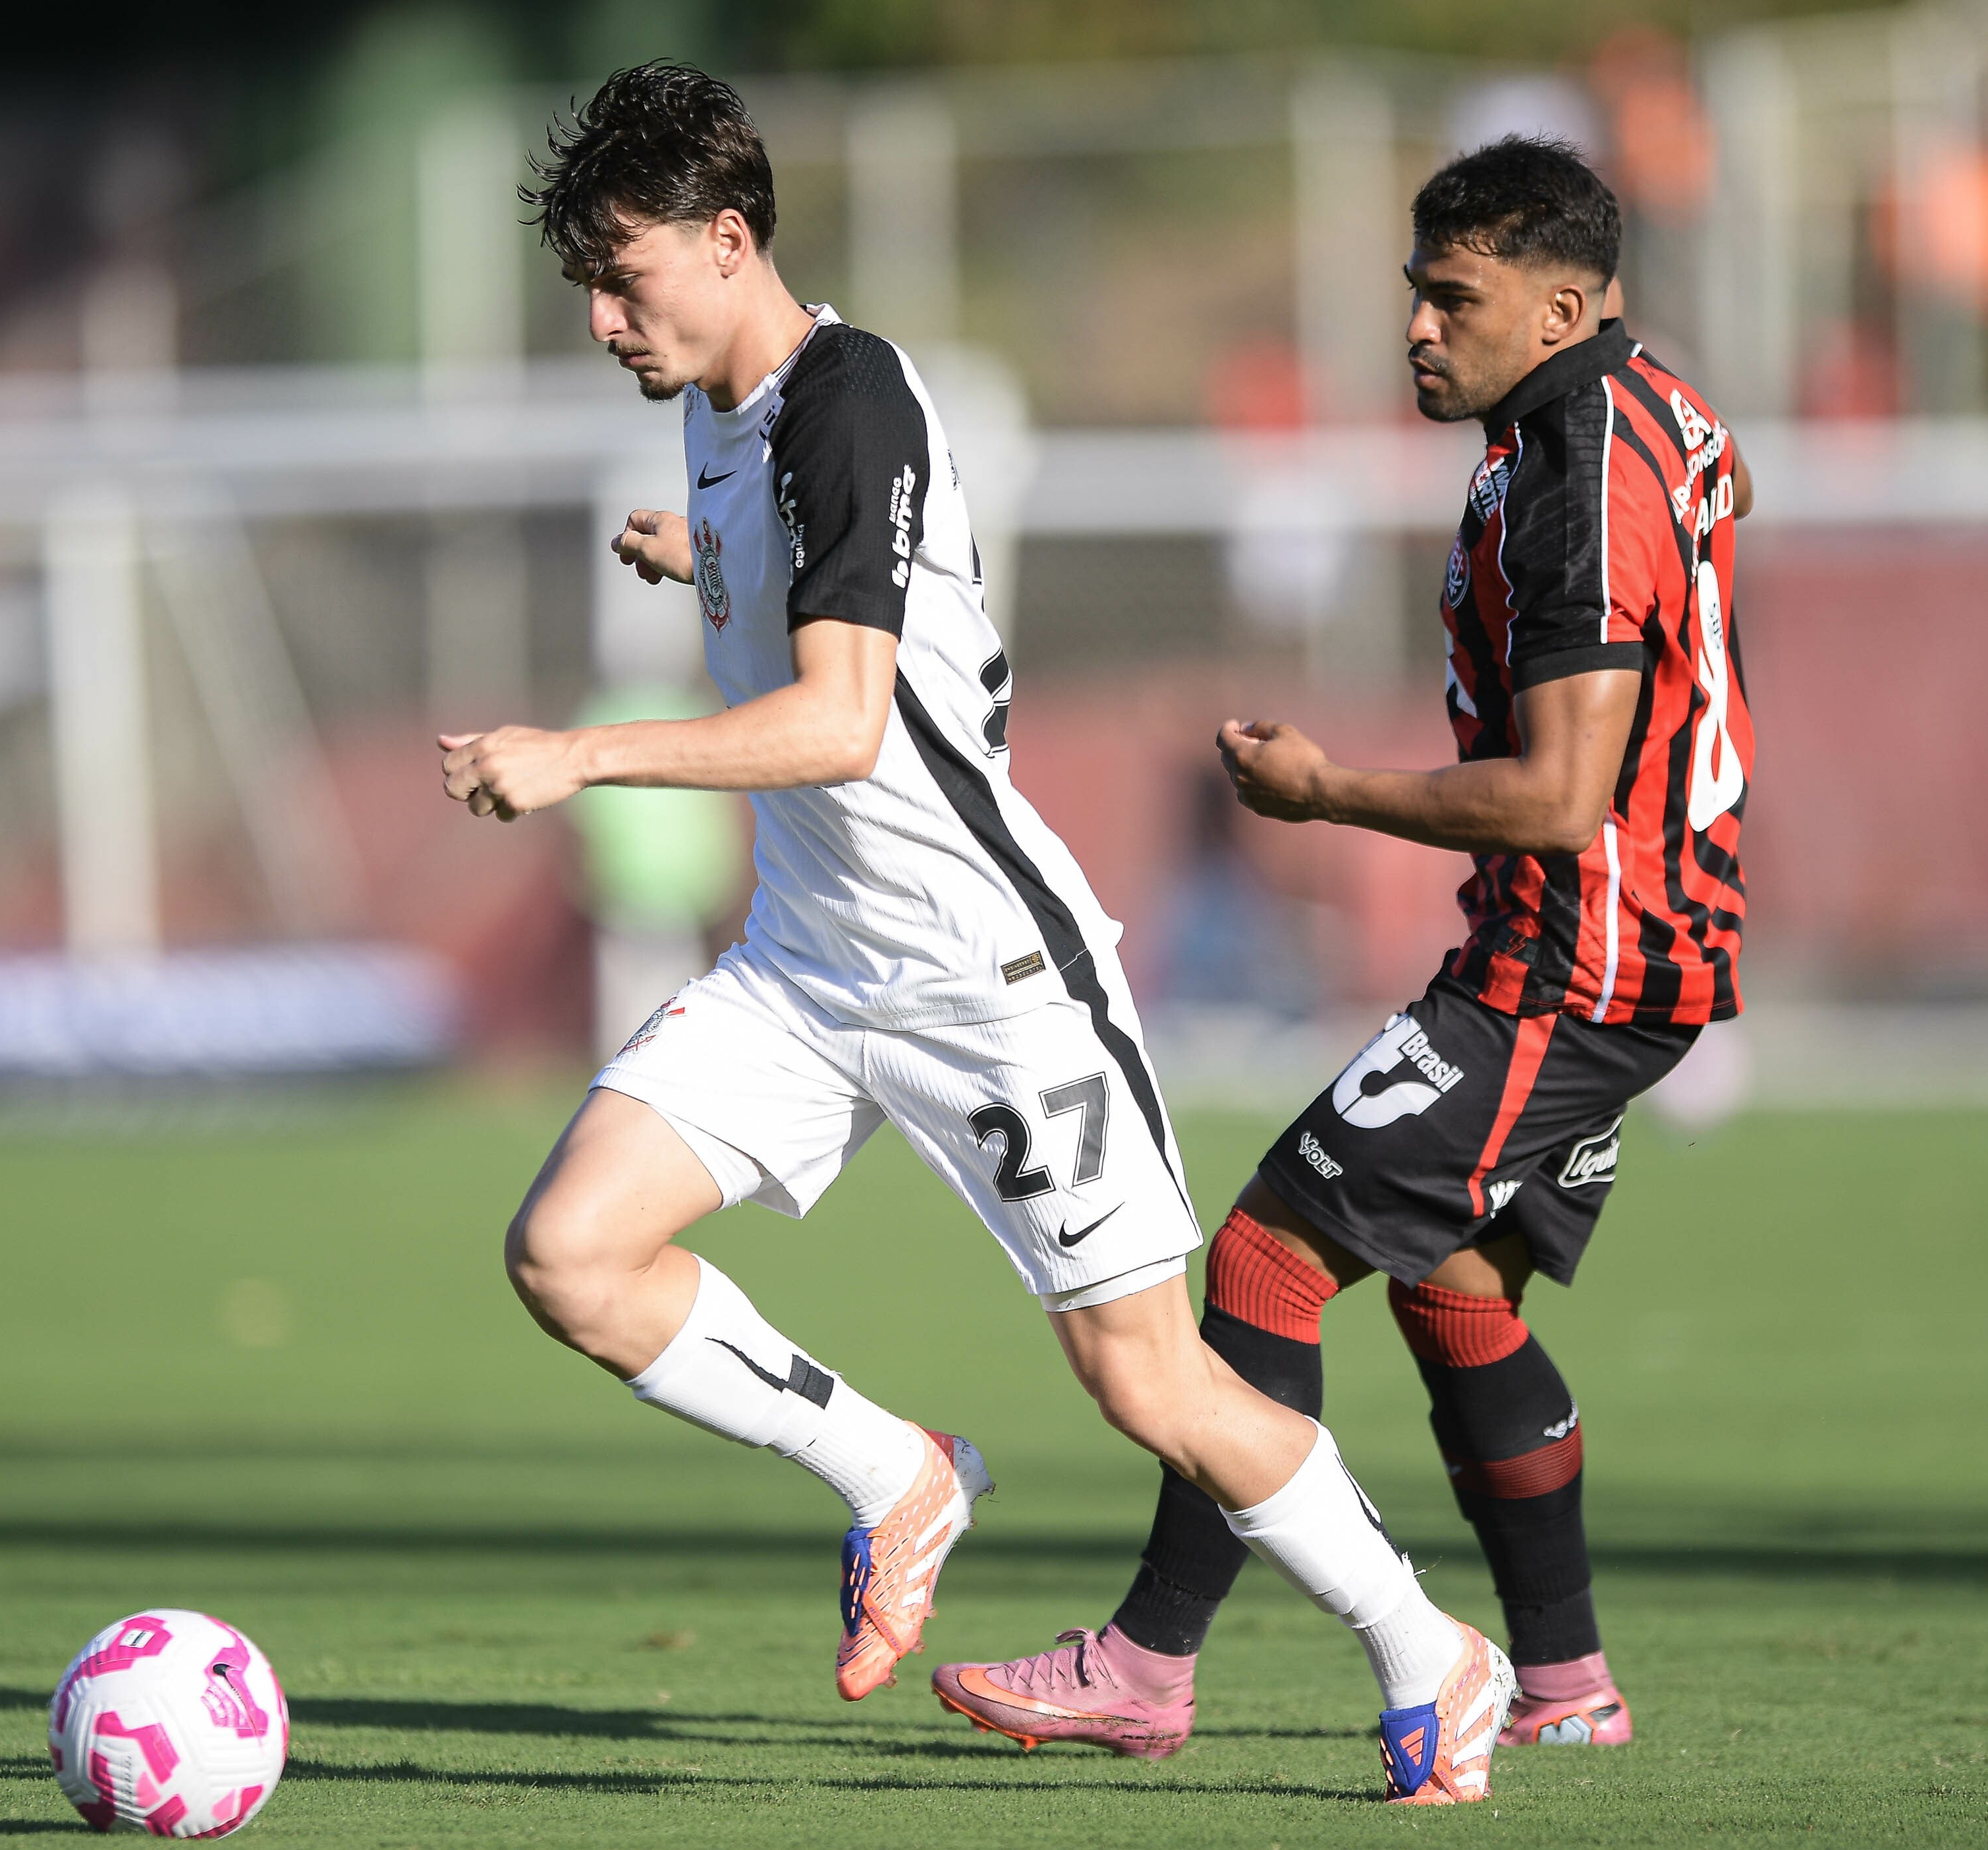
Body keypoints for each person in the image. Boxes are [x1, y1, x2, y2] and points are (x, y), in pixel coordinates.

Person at [435, 63, 1514, 1806]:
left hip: (989, 976)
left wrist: (585, 752)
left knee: (1149, 1381)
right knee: (570, 1252)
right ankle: (895, 1472)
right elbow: (796, 581)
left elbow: (843, 723)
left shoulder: (847, 399)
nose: (598, 315)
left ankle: (1432, 1653)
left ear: (730, 245)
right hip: (810, 963)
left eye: (624, 276)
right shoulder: (716, 407)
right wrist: (692, 552)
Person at [935, 134, 1753, 1759]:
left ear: (1564, 302)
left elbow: (1554, 793)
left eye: (1455, 298)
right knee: (1449, 1284)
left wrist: (1322, 792)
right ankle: (1567, 1685)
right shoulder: (1626, 411)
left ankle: (1146, 1664)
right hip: (1638, 948)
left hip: (1568, 962)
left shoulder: (1579, 465)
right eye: (1415, 293)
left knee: (1262, 1256)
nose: (1417, 329)